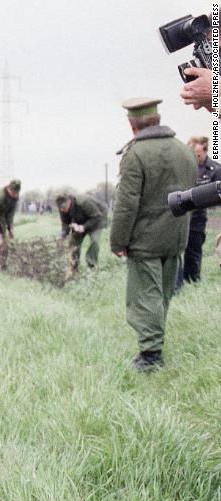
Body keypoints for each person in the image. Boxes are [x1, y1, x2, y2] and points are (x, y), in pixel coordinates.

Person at [110, 98, 197, 372]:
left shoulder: (136, 155)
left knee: (145, 296)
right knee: (163, 295)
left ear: (132, 123)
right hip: (177, 237)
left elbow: (126, 205)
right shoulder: (184, 151)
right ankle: (154, 344)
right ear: (157, 119)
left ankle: (150, 357)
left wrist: (118, 241)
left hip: (145, 240)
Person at [178, 136, 220, 286]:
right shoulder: (181, 168)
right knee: (176, 251)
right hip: (180, 216)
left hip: (198, 216)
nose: (195, 158)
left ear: (205, 150)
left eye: (198, 155)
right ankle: (178, 285)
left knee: (194, 250)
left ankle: (193, 282)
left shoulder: (215, 170)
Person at [55, 192, 106, 273]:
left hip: (96, 220)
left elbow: (97, 217)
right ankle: (74, 266)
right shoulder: (62, 208)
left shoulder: (83, 202)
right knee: (74, 242)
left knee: (94, 242)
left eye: (63, 207)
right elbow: (65, 223)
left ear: (69, 201)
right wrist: (63, 235)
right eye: (60, 208)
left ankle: (91, 265)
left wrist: (83, 227)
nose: (62, 210)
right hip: (80, 221)